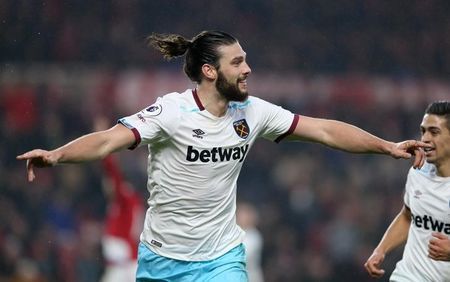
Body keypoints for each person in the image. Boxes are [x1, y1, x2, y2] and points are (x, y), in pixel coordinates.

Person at [17, 30, 430, 282]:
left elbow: (322, 129)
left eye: (246, 59)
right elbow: (108, 140)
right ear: (211, 71)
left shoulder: (254, 111)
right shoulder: (170, 112)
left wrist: (386, 146)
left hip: (221, 258)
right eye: (238, 62)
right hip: (161, 258)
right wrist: (56, 155)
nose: (248, 68)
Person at [364, 101, 450, 281]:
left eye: (434, 132)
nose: (425, 138)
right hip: (409, 276)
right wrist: (380, 250)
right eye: (423, 131)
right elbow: (407, 216)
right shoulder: (419, 171)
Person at [236, 202, 264, 282]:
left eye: (243, 214)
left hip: (250, 277)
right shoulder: (235, 233)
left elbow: (244, 256)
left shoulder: (254, 235)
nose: (239, 217)